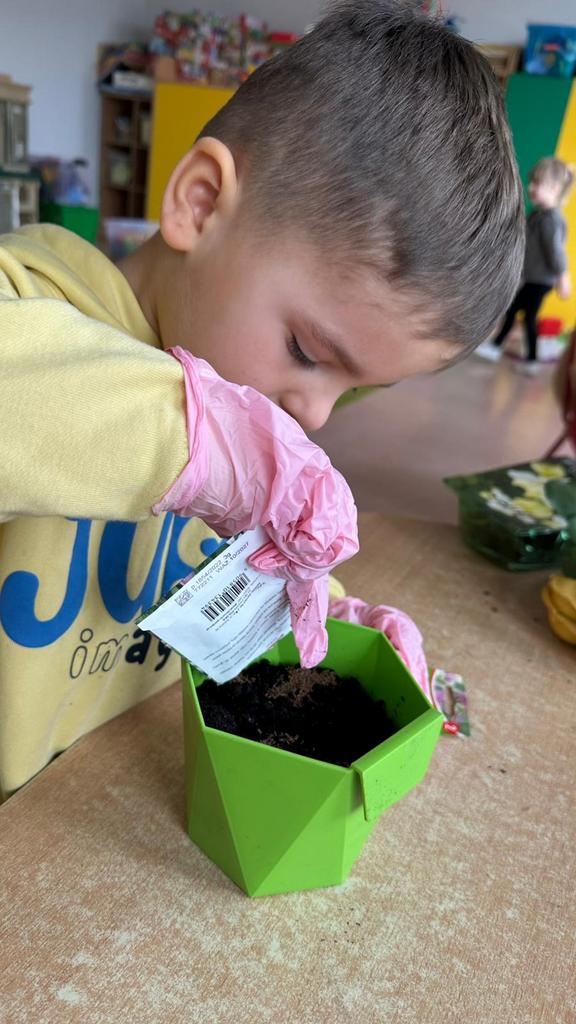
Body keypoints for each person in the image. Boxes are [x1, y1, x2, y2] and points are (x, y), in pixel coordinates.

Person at [0, 0, 524, 798]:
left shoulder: (246, 411)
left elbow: (218, 574)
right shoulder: (29, 299)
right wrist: (201, 440)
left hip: (111, 804)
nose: (314, 414)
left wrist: (316, 612)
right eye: (308, 352)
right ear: (201, 202)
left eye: (356, 388)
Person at [476, 156, 573, 374]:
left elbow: (556, 252)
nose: (531, 187)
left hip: (542, 281)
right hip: (532, 277)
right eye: (532, 182)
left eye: (537, 183)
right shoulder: (538, 214)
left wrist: (563, 278)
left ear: (555, 188)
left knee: (527, 317)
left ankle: (531, 359)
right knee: (513, 312)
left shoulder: (551, 220)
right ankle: (497, 347)